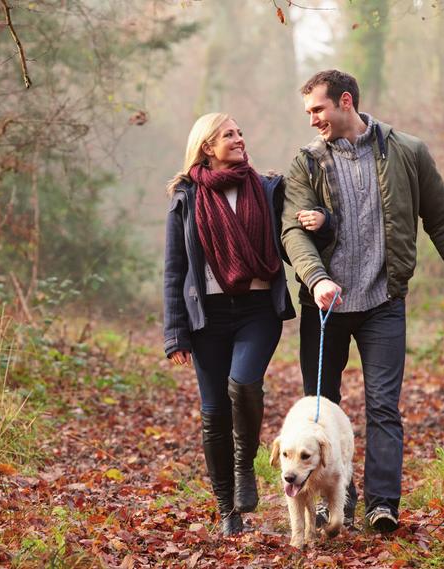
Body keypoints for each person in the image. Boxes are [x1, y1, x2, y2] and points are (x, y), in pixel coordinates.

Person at [280, 69, 444, 533]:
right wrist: (315, 279)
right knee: (320, 408)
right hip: (325, 307)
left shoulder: (407, 152)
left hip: (383, 303)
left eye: (318, 109)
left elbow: (442, 220)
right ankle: (329, 503)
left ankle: (381, 505)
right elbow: (292, 231)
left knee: (383, 407)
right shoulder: (306, 163)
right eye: (309, 112)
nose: (313, 119)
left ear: (346, 101)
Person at [163, 112, 295, 536]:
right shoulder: (186, 196)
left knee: (243, 384)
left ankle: (245, 468)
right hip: (208, 318)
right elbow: (174, 269)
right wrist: (176, 332)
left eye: (240, 132)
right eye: (229, 135)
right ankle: (227, 510)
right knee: (214, 412)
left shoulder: (267, 188)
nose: (239, 139)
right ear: (207, 146)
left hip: (258, 309)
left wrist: (319, 225)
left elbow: (295, 237)